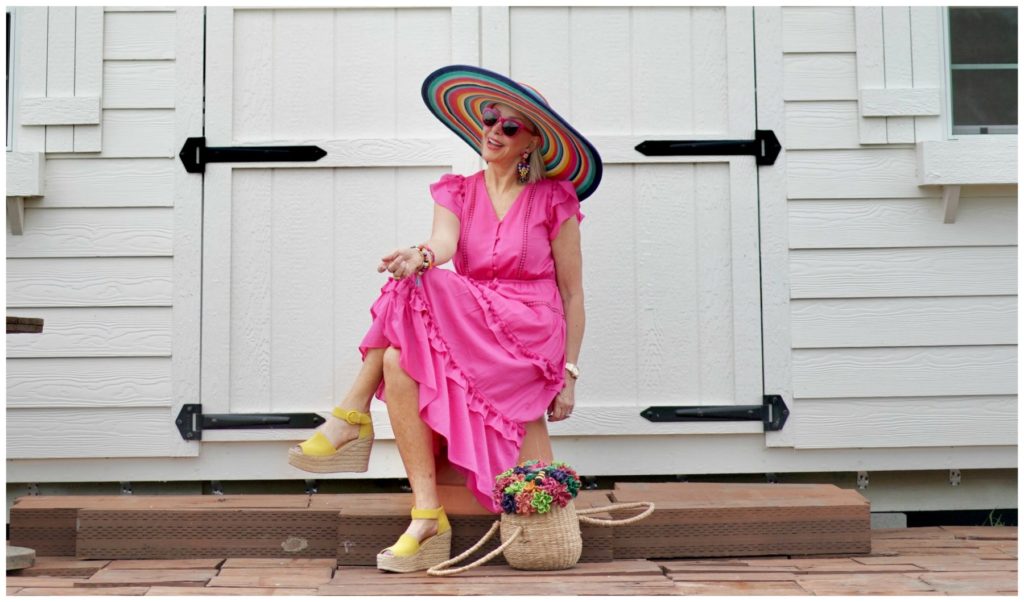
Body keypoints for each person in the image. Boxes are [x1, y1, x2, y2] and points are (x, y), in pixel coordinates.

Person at [287, 65, 603, 573]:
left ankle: (351, 415)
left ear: (531, 143)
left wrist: (569, 375)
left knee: (423, 284)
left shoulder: (554, 199)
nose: (494, 130)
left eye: (510, 126)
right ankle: (427, 517)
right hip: (477, 320)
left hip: (530, 330)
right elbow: (443, 246)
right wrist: (420, 254)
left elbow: (573, 293)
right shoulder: (457, 190)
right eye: (490, 118)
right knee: (397, 354)